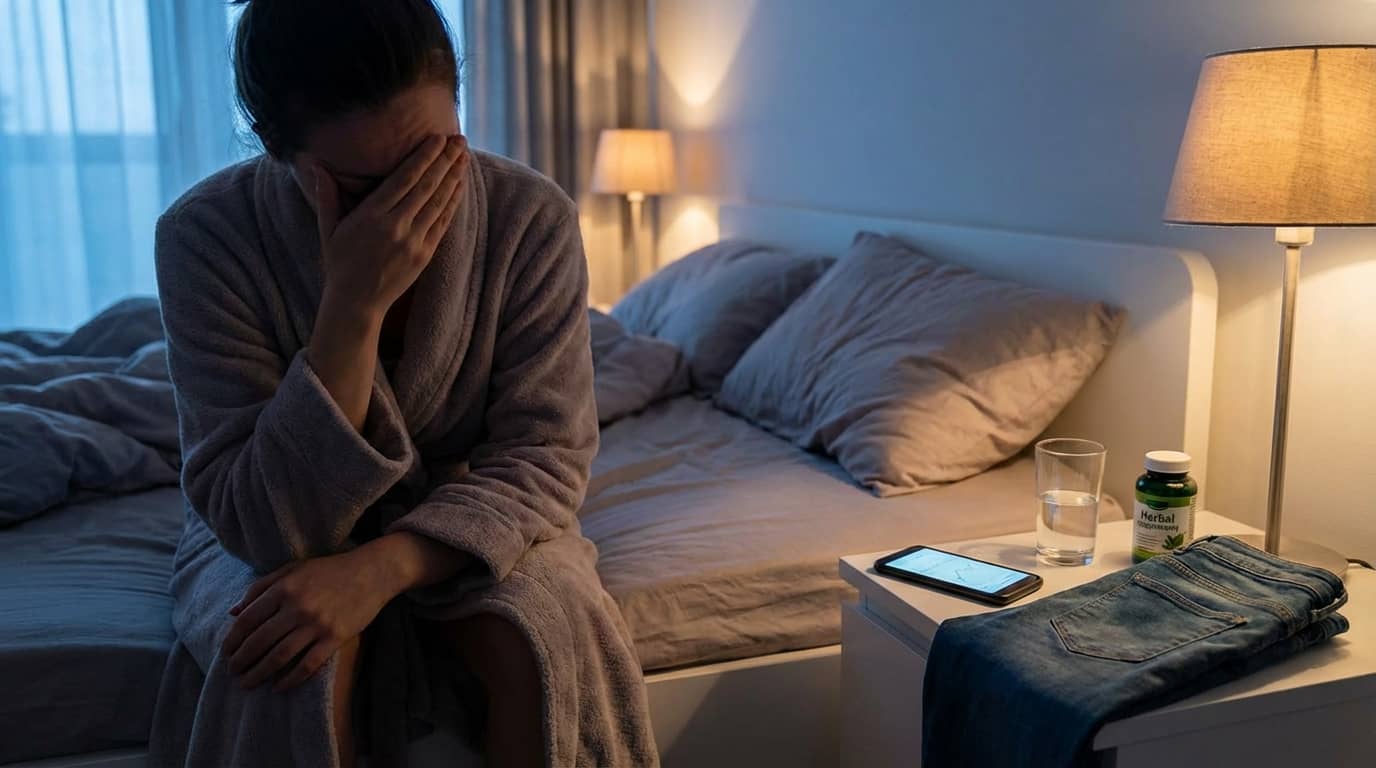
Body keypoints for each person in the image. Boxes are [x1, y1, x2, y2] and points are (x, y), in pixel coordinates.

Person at [147, 1, 651, 766]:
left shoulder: (529, 217)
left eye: (435, 158)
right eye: (359, 186)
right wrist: (352, 306)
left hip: (475, 508)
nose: (404, 209)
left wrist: (380, 569)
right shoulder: (204, 235)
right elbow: (260, 524)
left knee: (546, 634)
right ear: (277, 150)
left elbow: (546, 455)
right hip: (260, 512)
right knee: (281, 657)